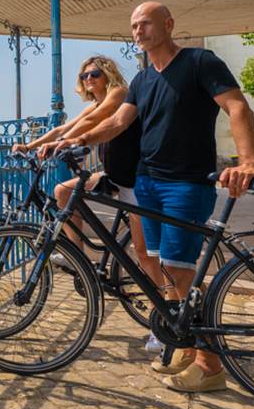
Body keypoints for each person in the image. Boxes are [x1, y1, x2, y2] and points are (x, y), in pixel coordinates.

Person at [52, 2, 254, 394]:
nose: (138, 31)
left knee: (180, 272)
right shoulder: (143, 80)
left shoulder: (199, 62)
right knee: (165, 269)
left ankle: (210, 366)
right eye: (133, 25)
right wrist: (79, 140)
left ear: (168, 24)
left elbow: (236, 106)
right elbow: (118, 122)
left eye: (145, 23)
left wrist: (248, 161)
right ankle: (187, 347)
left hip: (186, 183)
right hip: (147, 182)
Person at [12, 57, 150, 337]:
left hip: (133, 179)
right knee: (62, 191)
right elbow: (62, 128)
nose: (88, 79)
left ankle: (165, 306)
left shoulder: (119, 93)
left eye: (94, 74)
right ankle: (76, 255)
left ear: (107, 74)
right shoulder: (95, 103)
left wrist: (59, 144)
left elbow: (91, 122)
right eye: (84, 75)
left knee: (144, 253)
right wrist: (30, 145)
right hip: (112, 174)